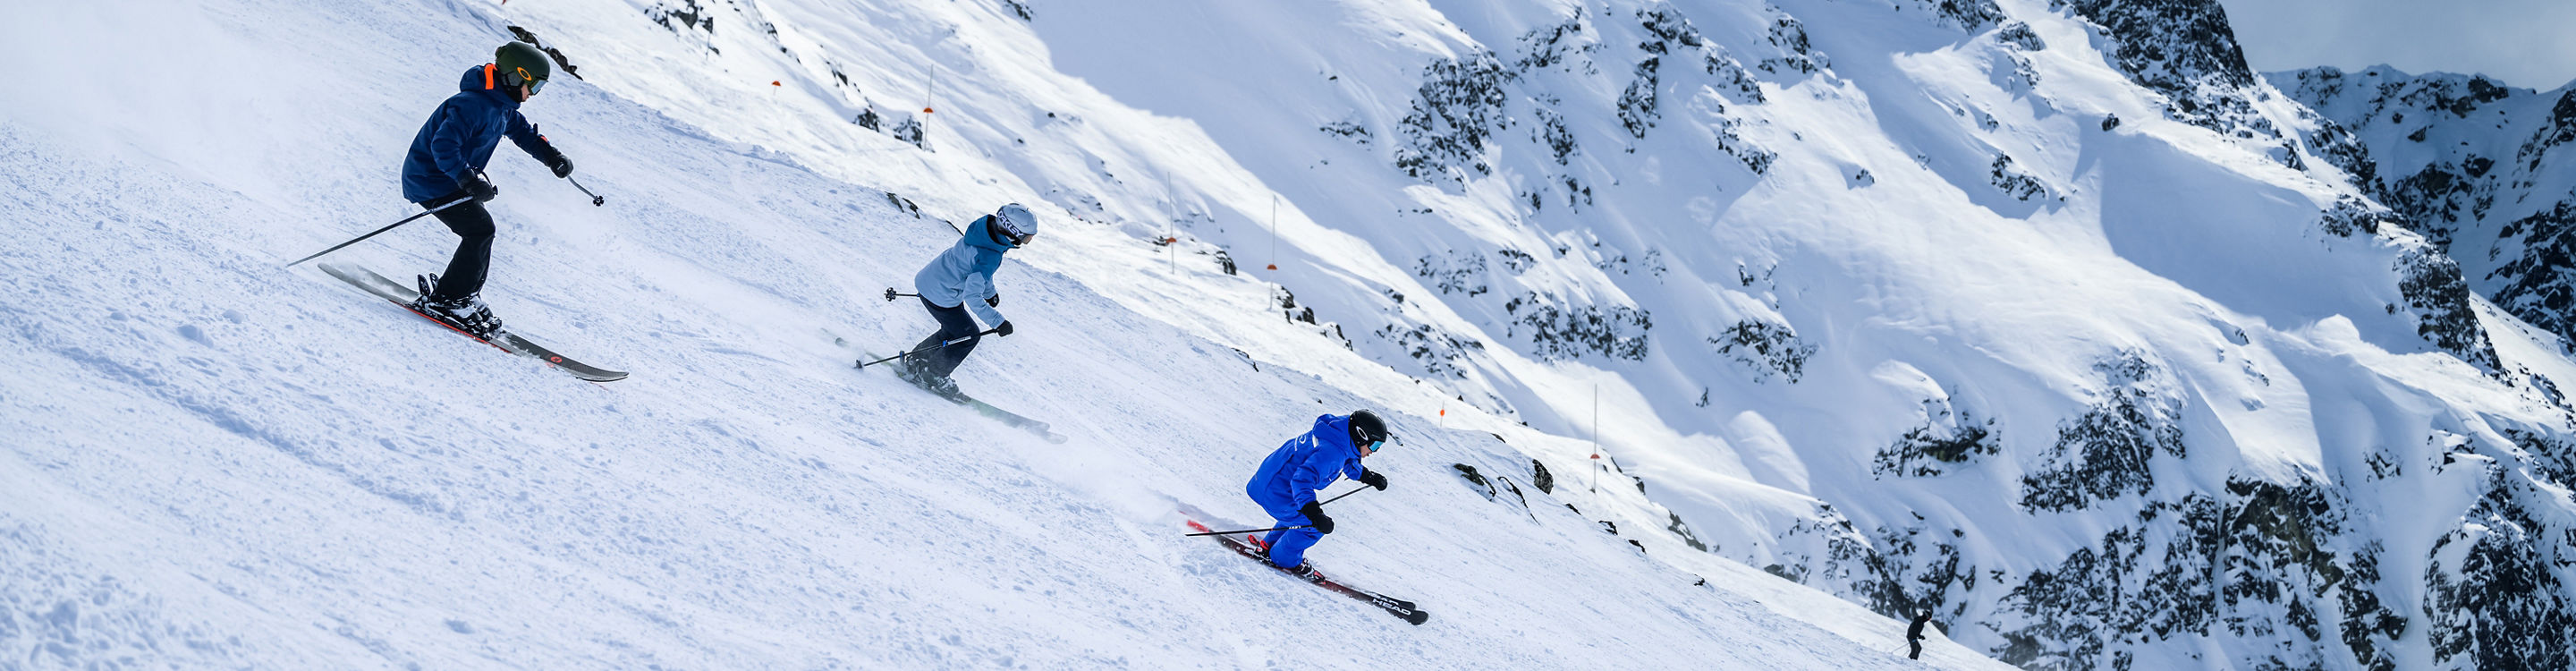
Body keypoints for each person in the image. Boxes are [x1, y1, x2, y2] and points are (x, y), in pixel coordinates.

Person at [397, 41, 574, 337]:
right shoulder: (473, 105)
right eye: (534, 86)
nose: (533, 94)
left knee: (481, 230)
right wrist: (468, 180)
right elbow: (443, 146)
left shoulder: (502, 107)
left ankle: (464, 294)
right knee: (480, 230)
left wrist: (551, 156)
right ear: (517, 76)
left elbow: (524, 133)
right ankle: (448, 300)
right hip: (430, 178)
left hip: (449, 179)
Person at [898, 203, 1038, 398]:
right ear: (1012, 233)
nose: (1026, 242)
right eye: (1026, 238)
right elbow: (972, 295)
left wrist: (989, 292)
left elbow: (976, 271)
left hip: (930, 281)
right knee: (969, 335)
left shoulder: (984, 232)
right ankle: (935, 375)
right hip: (941, 294)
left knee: (954, 331)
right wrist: (998, 322)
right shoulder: (990, 255)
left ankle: (916, 361)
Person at [1243, 410, 1394, 575]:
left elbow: (1347, 458)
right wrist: (1314, 514)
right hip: (1275, 492)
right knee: (1313, 526)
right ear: (1361, 436)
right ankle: (1283, 559)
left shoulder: (1338, 434)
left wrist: (1368, 477)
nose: (1373, 451)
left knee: (1299, 513)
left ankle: (1268, 545)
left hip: (1268, 479)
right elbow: (1302, 481)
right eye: (1374, 445)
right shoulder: (1332, 453)